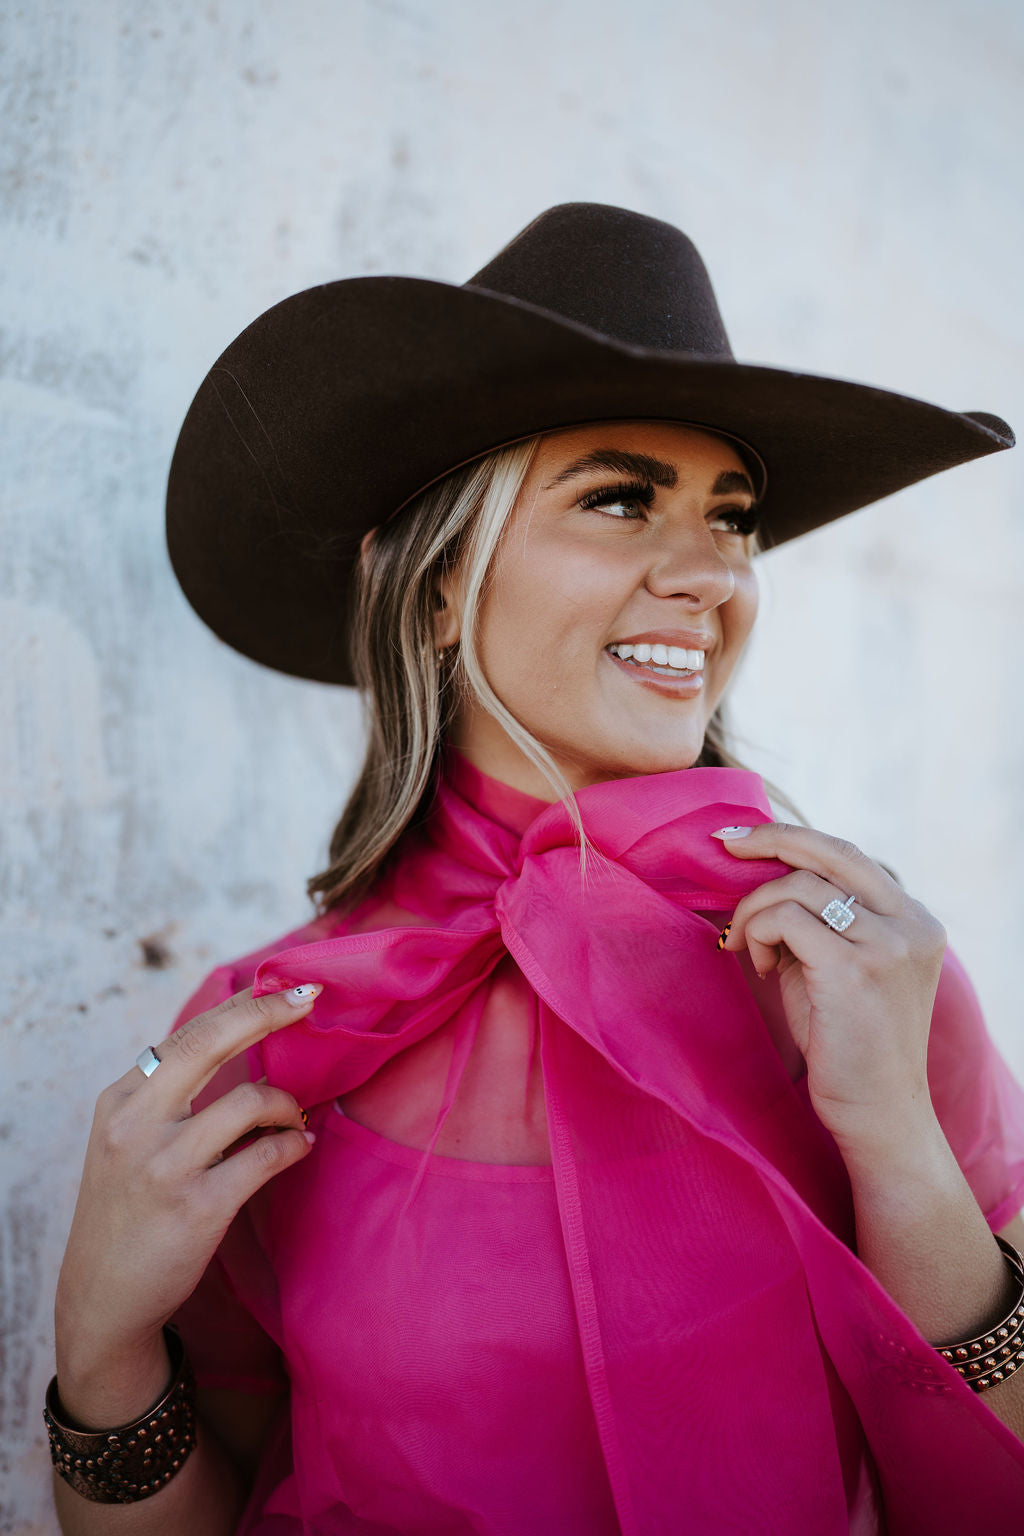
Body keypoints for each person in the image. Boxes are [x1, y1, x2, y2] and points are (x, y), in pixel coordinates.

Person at [48, 203, 1024, 1534]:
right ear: (438, 581)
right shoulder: (266, 1035)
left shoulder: (858, 971)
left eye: (730, 519)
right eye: (622, 500)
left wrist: (896, 1143)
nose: (709, 576)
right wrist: (103, 1349)